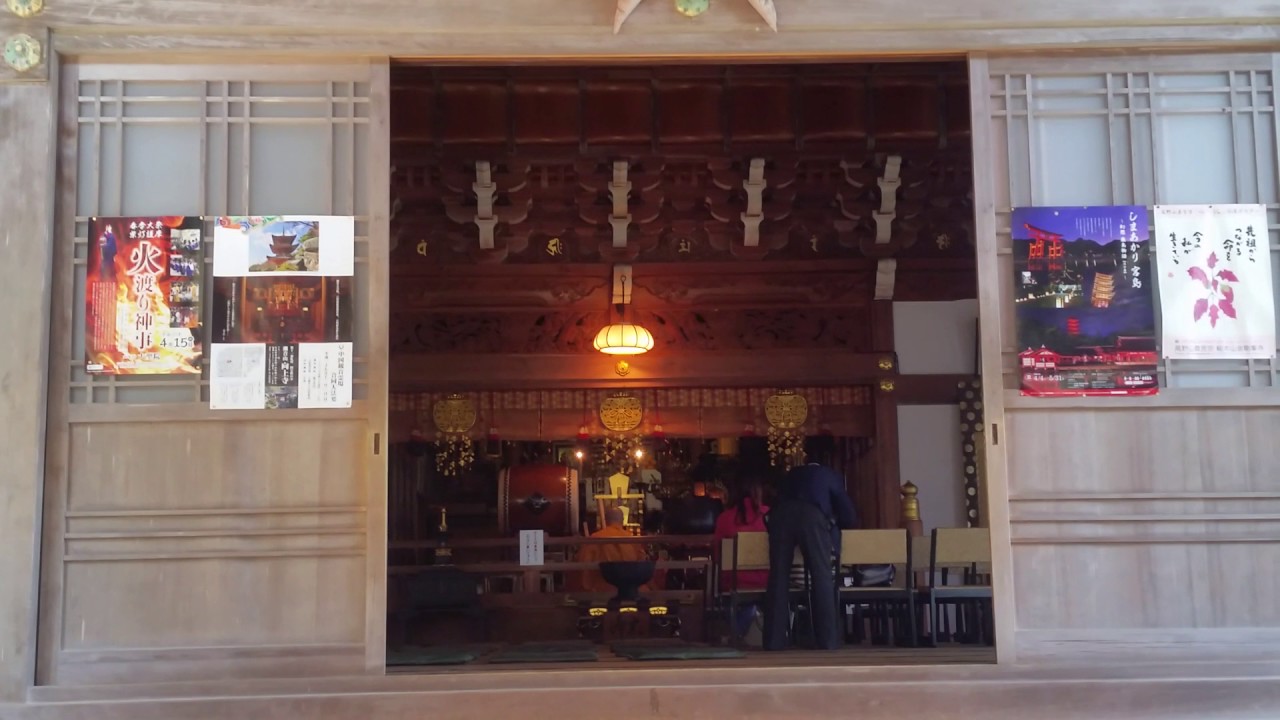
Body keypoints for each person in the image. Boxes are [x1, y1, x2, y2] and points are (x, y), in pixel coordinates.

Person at [762, 439, 858, 651]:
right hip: (811, 517)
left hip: (781, 517)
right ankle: (827, 641)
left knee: (778, 577)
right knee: (821, 576)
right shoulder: (830, 476)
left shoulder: (791, 475)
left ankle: (774, 641)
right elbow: (849, 516)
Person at [714, 477, 769, 638]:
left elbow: (718, 556)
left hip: (733, 582)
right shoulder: (768, 515)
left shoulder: (724, 518)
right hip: (766, 580)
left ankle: (734, 634)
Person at [573, 507, 650, 593]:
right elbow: (641, 563)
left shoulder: (594, 539)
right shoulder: (632, 540)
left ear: (605, 520)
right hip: (628, 589)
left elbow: (582, 565)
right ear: (623, 520)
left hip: (600, 590)